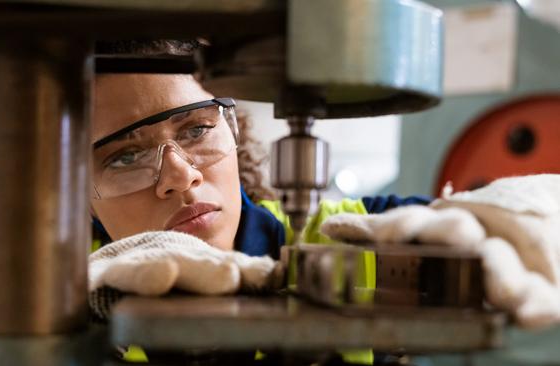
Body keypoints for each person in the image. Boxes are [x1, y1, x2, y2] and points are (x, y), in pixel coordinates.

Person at [88, 40, 430, 365]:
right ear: (76, 194)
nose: (180, 177)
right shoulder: (55, 294)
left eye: (196, 130)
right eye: (126, 157)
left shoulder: (348, 239)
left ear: (231, 129)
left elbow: (478, 210)